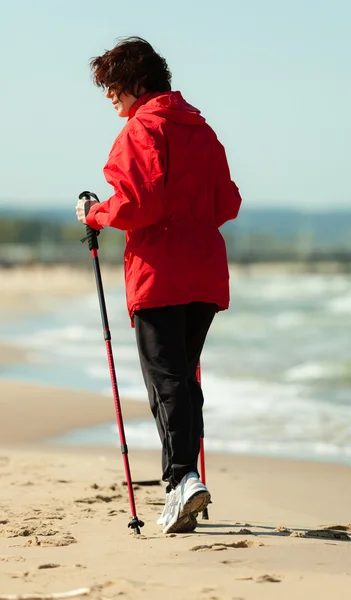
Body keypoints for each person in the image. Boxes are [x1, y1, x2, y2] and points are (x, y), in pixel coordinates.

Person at [75, 37, 241, 534]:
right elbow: (227, 204)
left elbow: (136, 206)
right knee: (183, 379)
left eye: (113, 86)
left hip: (159, 271)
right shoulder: (202, 131)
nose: (109, 97)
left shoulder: (140, 131)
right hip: (204, 271)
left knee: (165, 378)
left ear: (137, 83)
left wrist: (95, 214)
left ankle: (181, 480)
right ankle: (185, 483)